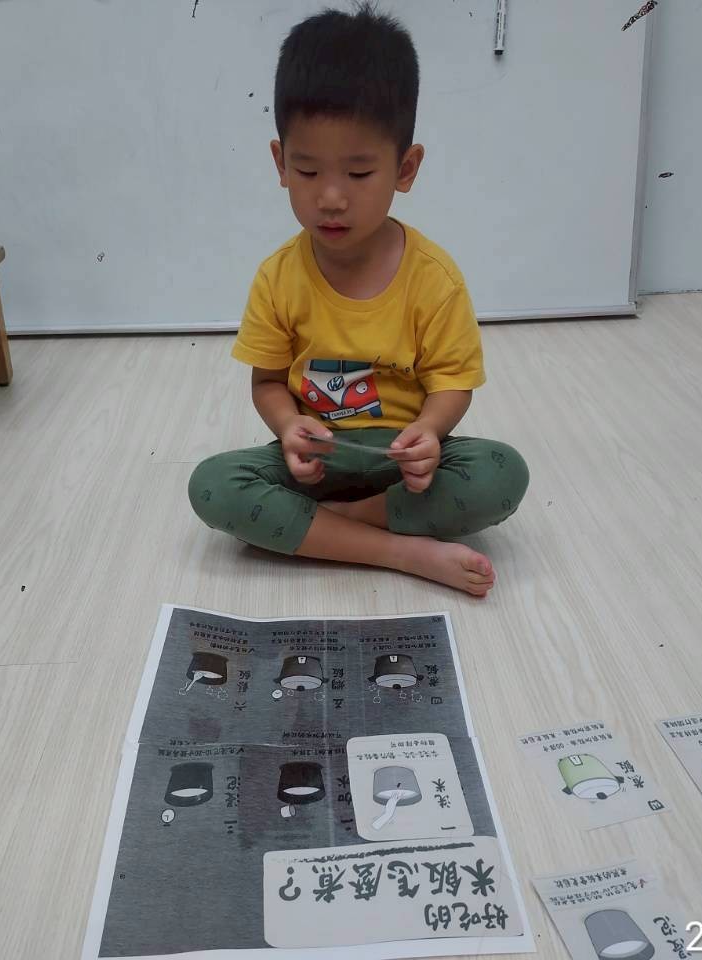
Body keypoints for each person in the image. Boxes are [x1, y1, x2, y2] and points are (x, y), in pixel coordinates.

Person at [188, 3, 528, 597]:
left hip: (404, 467)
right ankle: (400, 551)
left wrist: (429, 432)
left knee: (501, 473)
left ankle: (331, 530)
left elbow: (453, 384)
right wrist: (289, 426)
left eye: (359, 174)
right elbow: (267, 382)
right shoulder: (278, 277)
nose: (331, 198)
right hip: (317, 464)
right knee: (213, 485)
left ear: (406, 168)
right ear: (280, 163)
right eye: (308, 171)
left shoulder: (434, 278)